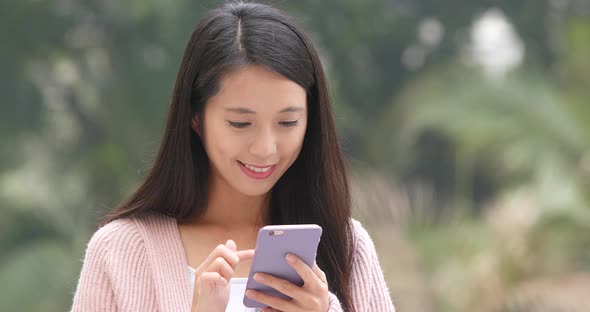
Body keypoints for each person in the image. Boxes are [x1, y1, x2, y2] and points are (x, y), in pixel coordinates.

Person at [71, 1, 395, 311]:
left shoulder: (347, 247)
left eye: (288, 122)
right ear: (195, 117)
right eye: (241, 123)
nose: (265, 148)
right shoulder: (120, 252)